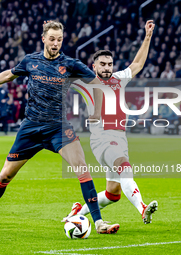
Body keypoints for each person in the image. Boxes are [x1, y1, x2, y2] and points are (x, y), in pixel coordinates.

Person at [0, 21, 120, 234]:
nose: (56, 44)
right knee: (5, 176)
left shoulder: (70, 64)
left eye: (60, 40)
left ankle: (100, 222)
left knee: (82, 169)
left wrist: (96, 112)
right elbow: (8, 75)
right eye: (52, 39)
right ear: (43, 38)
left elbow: (99, 86)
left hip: (58, 127)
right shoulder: (31, 61)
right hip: (31, 128)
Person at [64, 20, 158, 224]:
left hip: (120, 138)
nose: (107, 68)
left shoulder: (118, 78)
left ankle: (78, 210)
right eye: (102, 64)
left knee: (112, 193)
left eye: (109, 64)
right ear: (94, 66)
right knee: (125, 167)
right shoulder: (85, 82)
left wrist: (148, 36)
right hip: (102, 139)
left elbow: (137, 64)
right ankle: (142, 209)